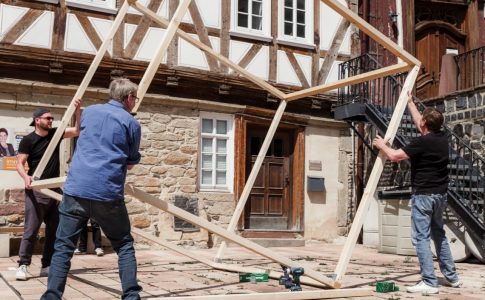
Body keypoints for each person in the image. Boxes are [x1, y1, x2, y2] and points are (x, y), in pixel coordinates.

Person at [41, 78, 142, 300]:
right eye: (135, 97)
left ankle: (51, 297)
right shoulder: (132, 123)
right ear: (127, 98)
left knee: (63, 248)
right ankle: (132, 296)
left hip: (76, 188)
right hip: (106, 193)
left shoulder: (90, 112)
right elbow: (131, 162)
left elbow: (80, 135)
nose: (135, 102)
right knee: (124, 244)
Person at [373, 92, 461, 294]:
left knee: (421, 237)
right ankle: (452, 278)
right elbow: (420, 122)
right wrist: (410, 103)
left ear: (424, 124)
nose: (418, 121)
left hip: (424, 195)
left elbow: (395, 156)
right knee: (439, 235)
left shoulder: (422, 143)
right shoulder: (441, 138)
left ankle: (429, 282)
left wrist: (382, 145)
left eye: (421, 119)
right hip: (440, 195)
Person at [15, 103, 82, 281]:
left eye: (52, 118)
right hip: (36, 189)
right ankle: (23, 265)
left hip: (54, 189)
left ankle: (47, 265)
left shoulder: (55, 135)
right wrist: (25, 178)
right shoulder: (28, 140)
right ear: (37, 121)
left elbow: (76, 131)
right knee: (31, 229)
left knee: (54, 230)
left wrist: (77, 110)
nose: (51, 120)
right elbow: (19, 163)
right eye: (48, 118)